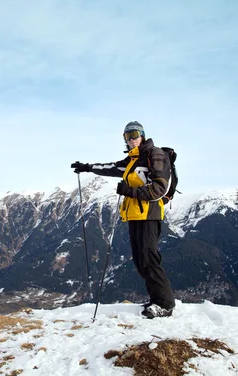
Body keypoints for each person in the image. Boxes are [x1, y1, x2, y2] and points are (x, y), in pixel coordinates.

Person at [71, 121, 175, 318]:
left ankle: (165, 304)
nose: (131, 139)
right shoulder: (133, 160)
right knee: (140, 260)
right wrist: (87, 167)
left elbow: (159, 189)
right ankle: (156, 299)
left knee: (149, 258)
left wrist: (129, 191)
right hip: (135, 214)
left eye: (134, 134)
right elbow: (110, 167)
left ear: (143, 135)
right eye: (127, 136)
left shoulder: (155, 155)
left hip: (149, 214)